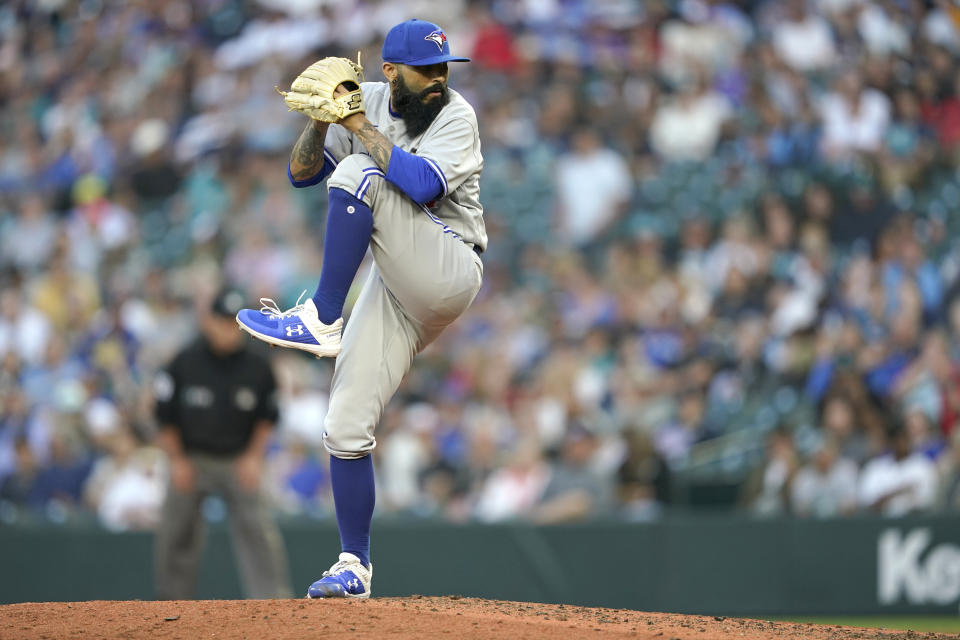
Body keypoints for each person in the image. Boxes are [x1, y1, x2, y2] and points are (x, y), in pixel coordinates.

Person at [236, 19, 485, 598]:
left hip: (449, 264)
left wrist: (354, 125)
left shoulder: (457, 115)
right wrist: (318, 122)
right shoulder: (368, 100)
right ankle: (355, 565)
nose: (439, 80)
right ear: (391, 72)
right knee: (344, 424)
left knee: (360, 170)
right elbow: (302, 174)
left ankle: (322, 315)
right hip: (397, 283)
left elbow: (421, 185)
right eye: (426, 71)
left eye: (444, 68)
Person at [153, 288, 291, 599]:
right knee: (177, 531)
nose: (231, 329)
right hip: (192, 457)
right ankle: (169, 603)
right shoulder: (184, 361)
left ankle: (273, 604)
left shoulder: (258, 365)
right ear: (209, 321)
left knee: (258, 529)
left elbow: (268, 416)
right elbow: (164, 416)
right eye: (225, 321)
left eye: (237, 323)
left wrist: (255, 457)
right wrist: (177, 461)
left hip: (238, 458)